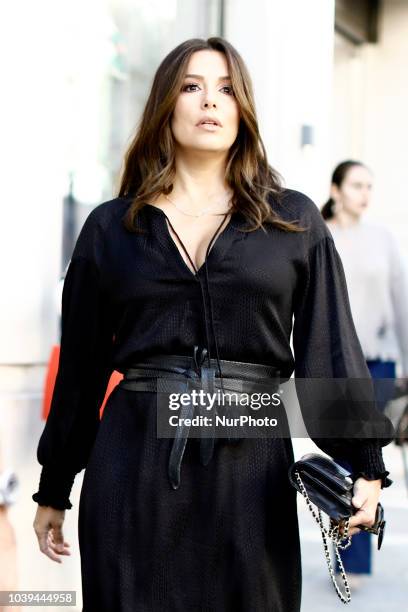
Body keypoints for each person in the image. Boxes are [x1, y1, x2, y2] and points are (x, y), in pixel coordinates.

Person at [32, 38, 394, 612]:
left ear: (243, 108)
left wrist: (366, 464)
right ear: (165, 106)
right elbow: (80, 368)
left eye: (227, 89)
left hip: (248, 462)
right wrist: (55, 486)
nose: (211, 101)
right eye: (192, 87)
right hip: (134, 462)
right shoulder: (110, 228)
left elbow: (331, 348)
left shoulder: (293, 220)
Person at [322, 160, 408, 588]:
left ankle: (355, 562)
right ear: (336, 190)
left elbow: (401, 304)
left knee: (367, 461)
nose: (364, 193)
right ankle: (341, 552)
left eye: (370, 186)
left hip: (377, 363)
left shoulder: (384, 240)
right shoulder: (318, 235)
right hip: (332, 368)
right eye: (357, 185)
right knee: (340, 461)